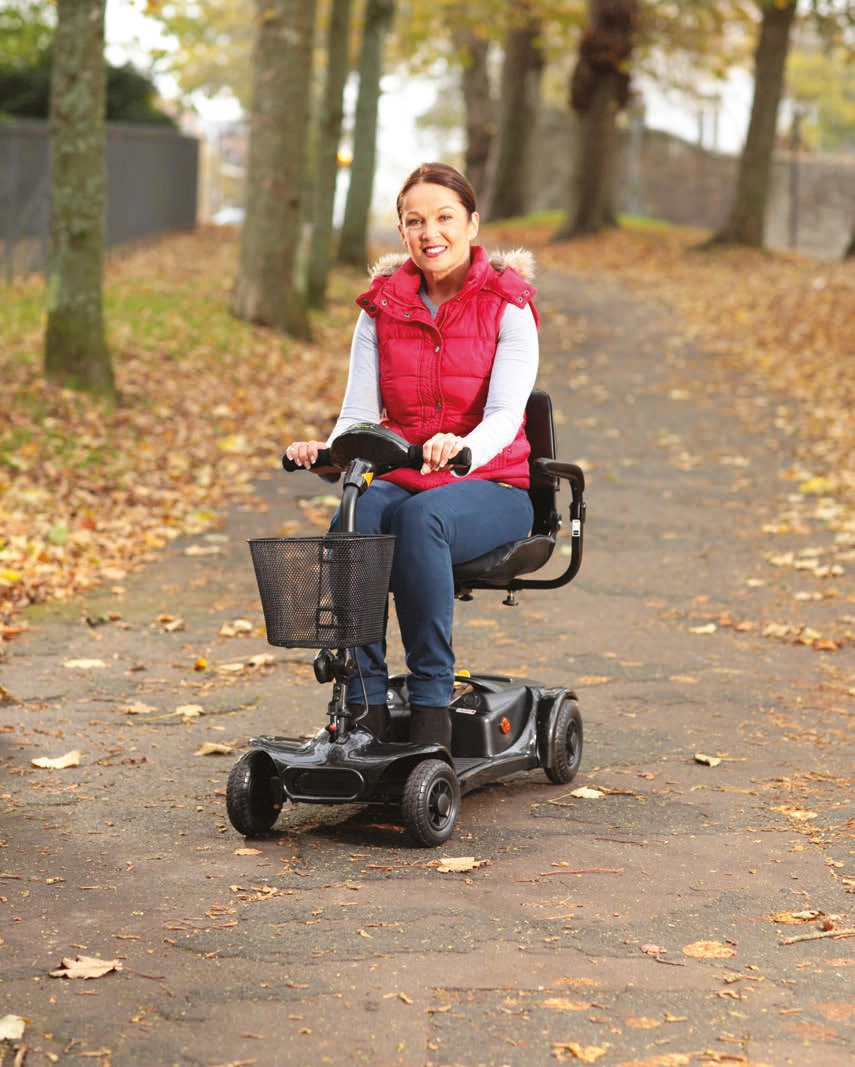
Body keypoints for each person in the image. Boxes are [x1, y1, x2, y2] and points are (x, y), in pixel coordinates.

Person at [284, 162, 539, 747]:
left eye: (445, 217)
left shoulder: (509, 304)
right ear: (401, 233)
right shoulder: (380, 308)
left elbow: (505, 415)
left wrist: (462, 449)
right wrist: (327, 449)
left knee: (422, 519)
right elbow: (358, 414)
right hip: (403, 474)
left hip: (494, 484)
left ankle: (429, 709)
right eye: (415, 221)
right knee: (359, 513)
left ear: (472, 224)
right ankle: (364, 706)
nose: (431, 233)